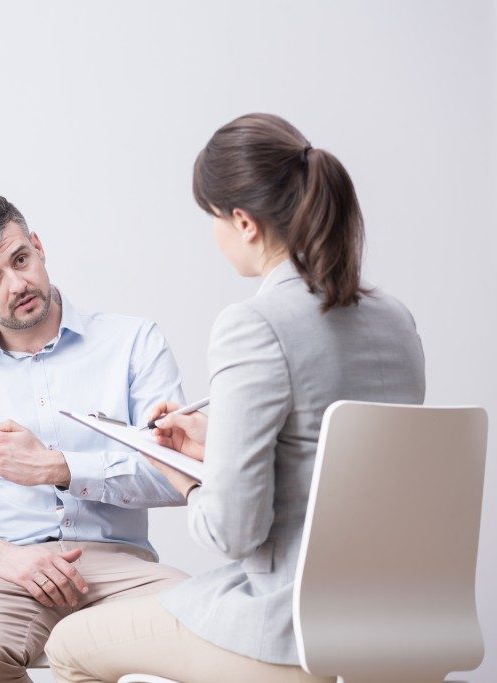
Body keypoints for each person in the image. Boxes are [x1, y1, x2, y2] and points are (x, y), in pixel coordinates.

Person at [44, 113, 427, 682]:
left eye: (213, 219)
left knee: (69, 646)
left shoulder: (255, 324)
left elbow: (233, 533)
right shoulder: (396, 320)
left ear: (243, 221)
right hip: (398, 624)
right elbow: (330, 457)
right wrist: (217, 444)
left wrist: (176, 471)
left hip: (288, 629)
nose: (214, 234)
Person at [0, 194, 189, 683]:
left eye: (21, 260)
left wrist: (61, 468)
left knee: (215, 630)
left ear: (38, 246)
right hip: (4, 571)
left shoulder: (133, 343)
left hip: (119, 567)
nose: (18, 284)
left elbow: (175, 475)